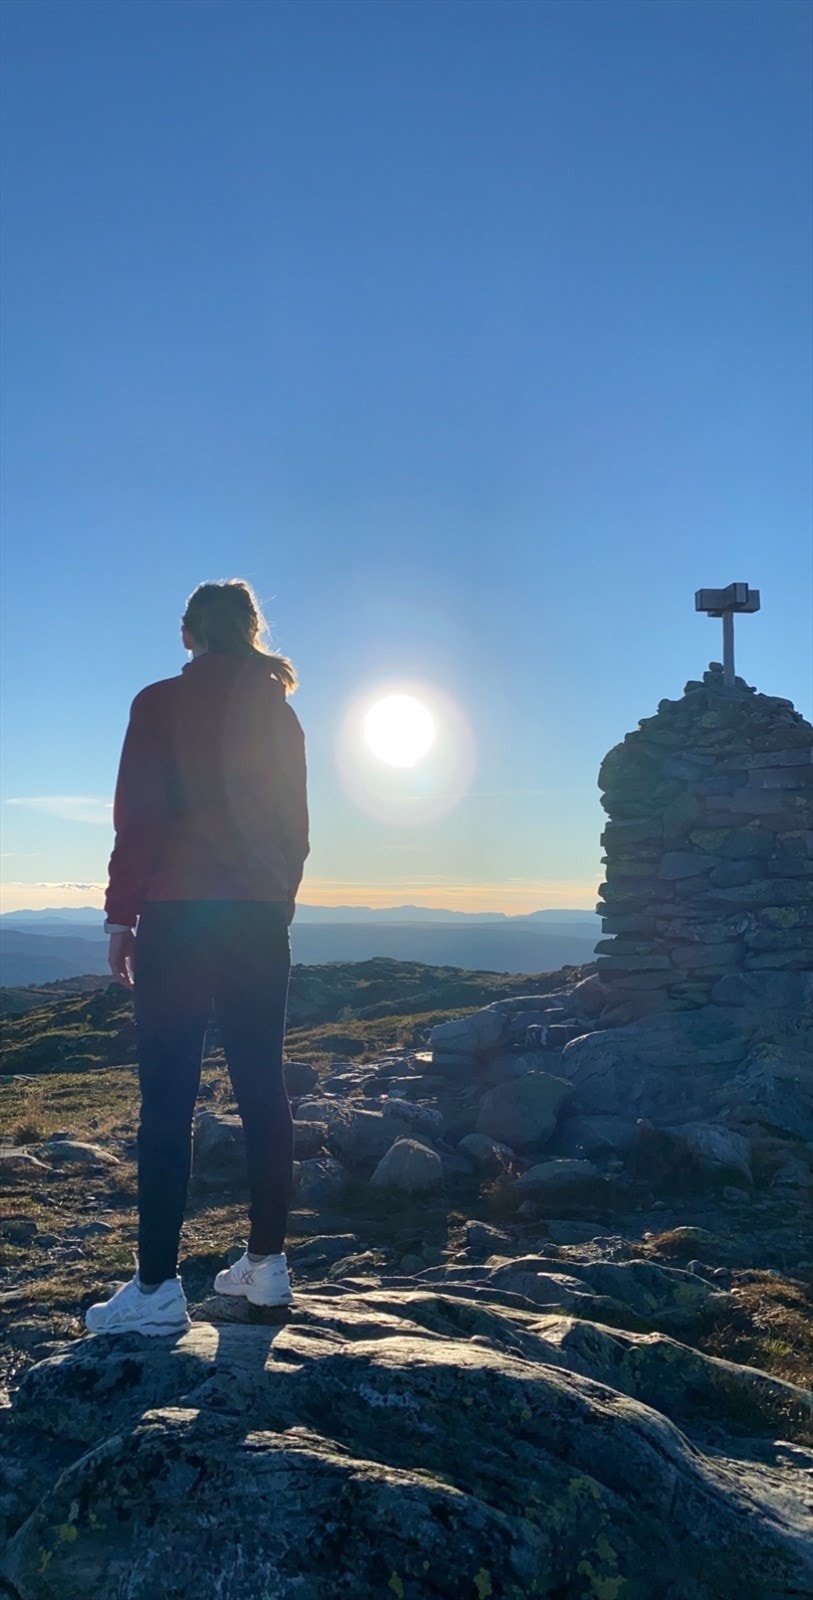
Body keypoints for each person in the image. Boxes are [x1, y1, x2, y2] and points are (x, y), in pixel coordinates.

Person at [85, 579, 309, 1336]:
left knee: (168, 1101)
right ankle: (267, 1267)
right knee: (262, 1087)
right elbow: (295, 832)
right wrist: (273, 905)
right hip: (256, 922)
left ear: (189, 634)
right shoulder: (279, 714)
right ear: (250, 632)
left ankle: (155, 1290)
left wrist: (122, 918)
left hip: (178, 919)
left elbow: (138, 821)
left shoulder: (158, 703)